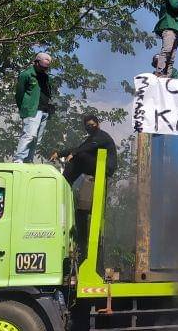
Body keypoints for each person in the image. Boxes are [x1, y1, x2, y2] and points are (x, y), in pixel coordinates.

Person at [50, 114, 118, 254]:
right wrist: (60, 153)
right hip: (95, 168)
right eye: (87, 126)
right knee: (78, 155)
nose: (90, 128)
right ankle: (66, 184)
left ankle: (65, 182)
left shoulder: (102, 136)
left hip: (105, 167)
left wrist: (73, 154)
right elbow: (80, 147)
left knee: (79, 157)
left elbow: (82, 150)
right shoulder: (90, 139)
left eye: (92, 125)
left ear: (98, 124)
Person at [12, 52, 53, 163]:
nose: (45, 69)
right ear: (36, 62)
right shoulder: (26, 74)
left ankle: (28, 160)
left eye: (47, 67)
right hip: (32, 110)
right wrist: (24, 109)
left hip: (44, 111)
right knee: (29, 135)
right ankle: (18, 159)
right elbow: (19, 94)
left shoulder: (46, 76)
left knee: (37, 140)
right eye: (43, 66)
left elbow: (47, 93)